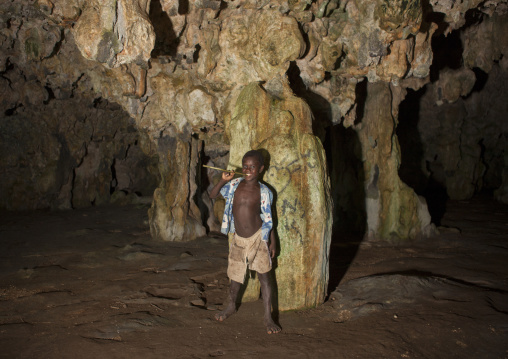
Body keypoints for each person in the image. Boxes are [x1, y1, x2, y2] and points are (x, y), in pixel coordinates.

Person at [209, 150, 281, 334]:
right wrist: (223, 179)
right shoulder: (233, 185)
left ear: (261, 169)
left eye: (252, 167)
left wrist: (272, 242)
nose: (248, 170)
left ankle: (267, 316)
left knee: (264, 276)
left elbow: (268, 219)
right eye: (245, 166)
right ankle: (231, 305)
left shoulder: (264, 192)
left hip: (258, 238)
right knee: (235, 275)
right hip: (238, 239)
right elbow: (213, 194)